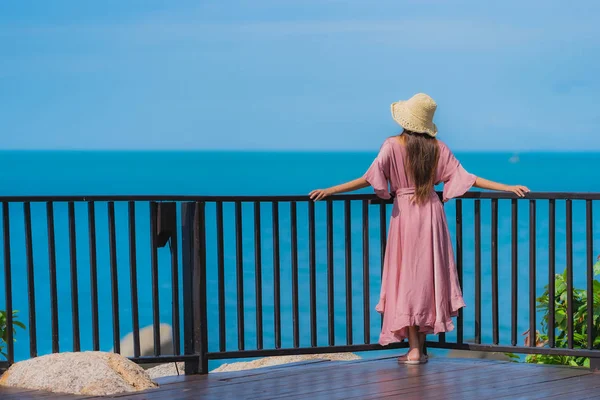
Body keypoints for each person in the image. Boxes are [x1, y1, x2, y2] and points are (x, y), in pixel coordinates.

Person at [309, 93, 529, 365]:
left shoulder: (392, 145)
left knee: (407, 281)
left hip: (405, 216)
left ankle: (414, 350)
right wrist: (506, 186)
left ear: (404, 120)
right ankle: (419, 349)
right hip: (431, 216)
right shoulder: (437, 148)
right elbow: (467, 178)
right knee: (427, 279)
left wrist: (330, 190)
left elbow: (370, 178)